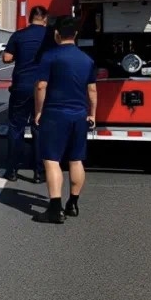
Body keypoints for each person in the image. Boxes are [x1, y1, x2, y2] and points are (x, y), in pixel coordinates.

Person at [33, 16, 97, 224]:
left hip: (55, 113)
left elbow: (41, 86)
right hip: (79, 114)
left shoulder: (50, 56)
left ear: (56, 34)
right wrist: (92, 114)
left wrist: (38, 111)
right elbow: (92, 89)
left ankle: (55, 209)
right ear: (76, 35)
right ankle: (73, 204)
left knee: (52, 160)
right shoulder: (87, 60)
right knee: (76, 159)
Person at [2, 5, 49, 182]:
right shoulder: (49, 36)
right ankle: (39, 172)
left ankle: (12, 170)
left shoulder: (19, 35)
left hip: (21, 86)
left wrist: (19, 56)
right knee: (39, 127)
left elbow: (6, 58)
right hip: (42, 88)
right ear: (44, 19)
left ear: (30, 18)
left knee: (16, 127)